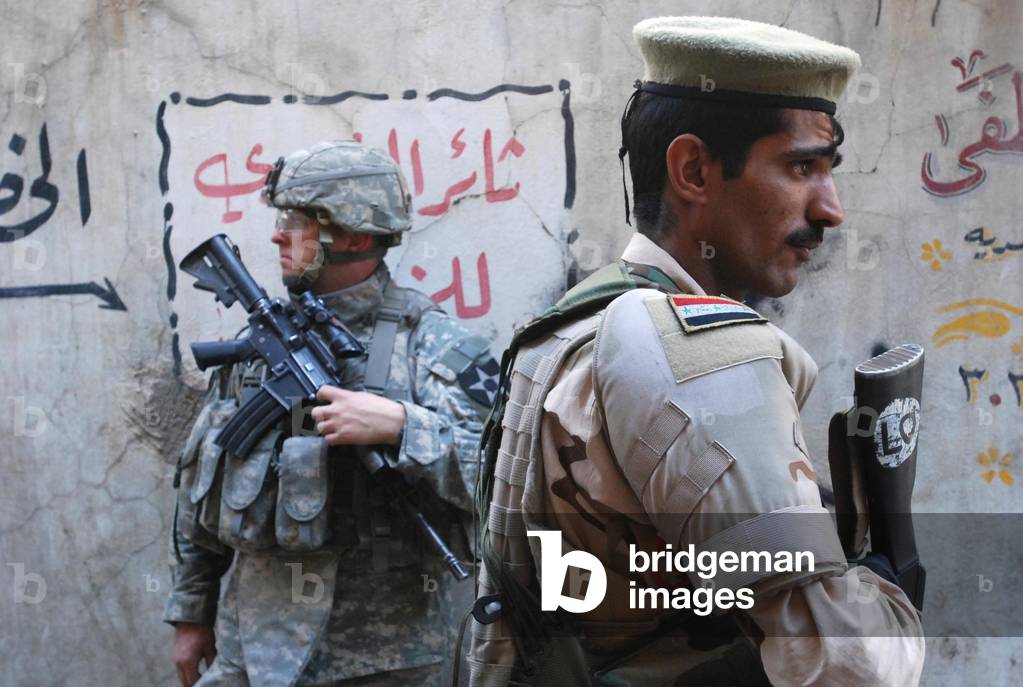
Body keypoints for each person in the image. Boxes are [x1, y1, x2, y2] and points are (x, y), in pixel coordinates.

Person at [469, 16, 924, 687]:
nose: (831, 209)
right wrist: (889, 605)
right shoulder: (701, 352)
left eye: (829, 171)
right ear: (692, 170)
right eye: (801, 166)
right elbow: (848, 664)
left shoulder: (565, 326)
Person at [164, 140, 498, 687]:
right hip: (252, 648)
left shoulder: (435, 345)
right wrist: (190, 612)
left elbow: (503, 479)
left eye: (294, 222)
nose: (277, 235)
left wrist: (401, 427)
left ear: (353, 234)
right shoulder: (262, 343)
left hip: (389, 658)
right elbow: (199, 480)